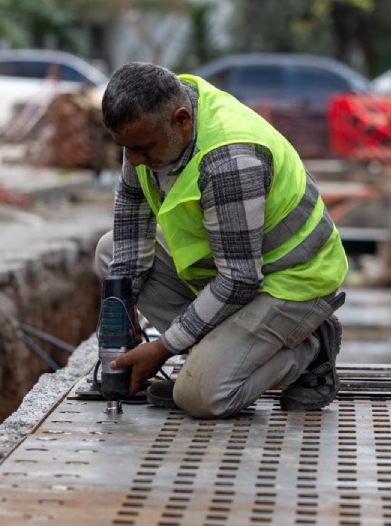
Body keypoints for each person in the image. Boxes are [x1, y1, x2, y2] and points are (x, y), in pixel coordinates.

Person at [95, 62, 348, 419]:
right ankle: (213, 364)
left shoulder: (229, 160)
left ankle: (309, 349)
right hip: (228, 267)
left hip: (292, 281)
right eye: (125, 148)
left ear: (181, 120)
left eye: (142, 148)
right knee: (110, 253)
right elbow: (131, 229)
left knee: (202, 398)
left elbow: (241, 280)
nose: (133, 160)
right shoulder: (149, 129)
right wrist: (121, 315)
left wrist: (164, 348)